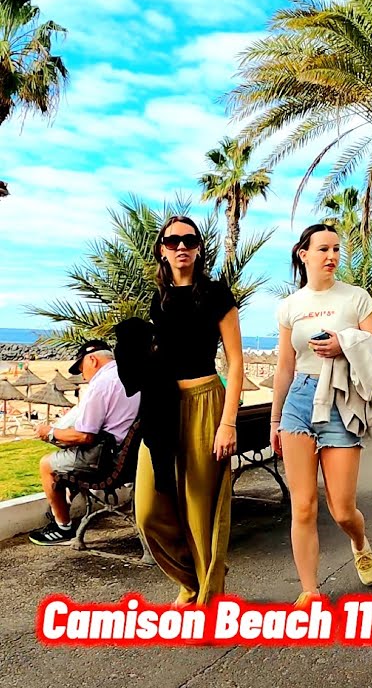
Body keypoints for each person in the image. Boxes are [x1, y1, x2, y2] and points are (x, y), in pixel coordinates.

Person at [271, 224, 372, 608]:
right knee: (303, 505)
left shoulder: (356, 298)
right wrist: (275, 420)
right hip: (299, 400)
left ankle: (359, 541)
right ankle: (310, 590)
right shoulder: (290, 306)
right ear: (303, 254)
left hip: (341, 400)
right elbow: (284, 367)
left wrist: (345, 343)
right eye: (323, 249)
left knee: (342, 509)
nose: (332, 256)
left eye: (336, 249)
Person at [134, 216, 244, 606]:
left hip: (205, 401)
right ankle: (191, 578)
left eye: (189, 240)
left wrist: (227, 422)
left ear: (198, 248)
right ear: (161, 250)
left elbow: (236, 362)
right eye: (173, 241)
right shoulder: (158, 298)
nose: (181, 246)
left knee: (200, 508)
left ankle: (208, 599)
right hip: (162, 404)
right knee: (148, 509)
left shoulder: (216, 294)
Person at [28, 340, 141, 546]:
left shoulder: (102, 384)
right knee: (66, 454)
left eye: (82, 369)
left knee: (46, 465)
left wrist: (50, 432)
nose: (83, 375)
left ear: (92, 360)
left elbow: (85, 436)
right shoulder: (132, 376)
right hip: (130, 459)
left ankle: (63, 527)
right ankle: (65, 501)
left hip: (105, 462)